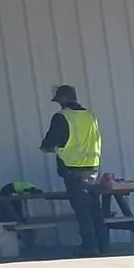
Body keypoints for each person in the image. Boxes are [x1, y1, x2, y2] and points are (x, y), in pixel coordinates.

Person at [39, 84, 109, 255]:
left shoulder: (62, 117)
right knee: (94, 208)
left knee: (82, 210)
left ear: (63, 99)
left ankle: (89, 246)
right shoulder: (90, 116)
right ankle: (104, 244)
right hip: (93, 167)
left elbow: (50, 143)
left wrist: (50, 148)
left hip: (73, 168)